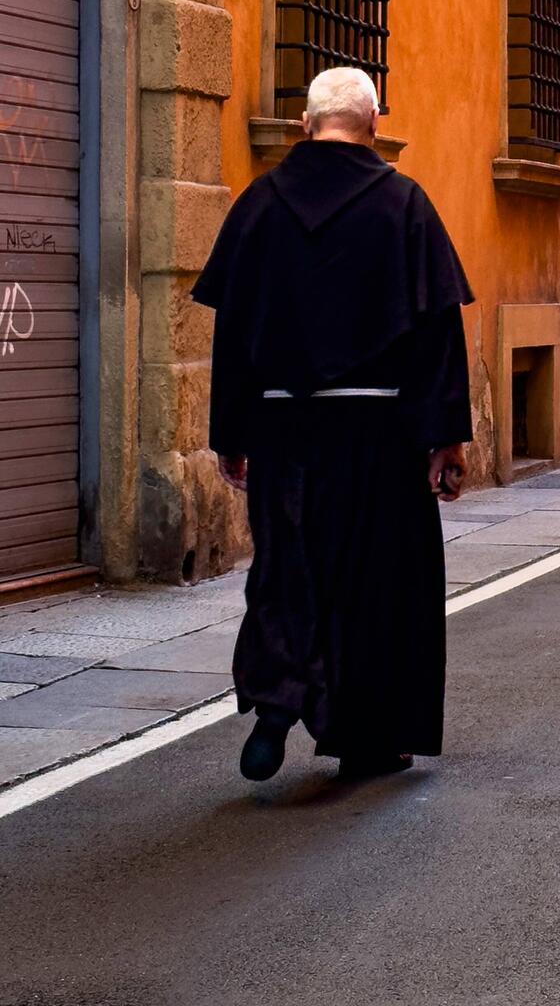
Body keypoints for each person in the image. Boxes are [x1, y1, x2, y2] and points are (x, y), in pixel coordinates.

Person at [192, 66, 473, 782]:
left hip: (286, 430)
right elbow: (438, 332)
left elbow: (234, 335)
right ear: (374, 123)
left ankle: (277, 701)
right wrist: (444, 439)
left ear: (304, 126)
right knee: (380, 584)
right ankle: (369, 741)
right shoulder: (405, 205)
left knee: (289, 568)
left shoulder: (259, 206)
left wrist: (232, 435)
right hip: (379, 435)